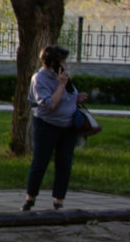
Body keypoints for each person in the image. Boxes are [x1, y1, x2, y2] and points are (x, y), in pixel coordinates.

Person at [25, 44, 89, 211]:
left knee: (64, 164)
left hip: (67, 127)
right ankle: (30, 198)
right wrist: (61, 85)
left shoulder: (61, 76)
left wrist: (76, 97)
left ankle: (58, 200)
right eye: (63, 61)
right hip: (47, 126)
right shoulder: (40, 79)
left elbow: (66, 96)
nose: (65, 64)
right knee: (40, 163)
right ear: (53, 63)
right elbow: (50, 104)